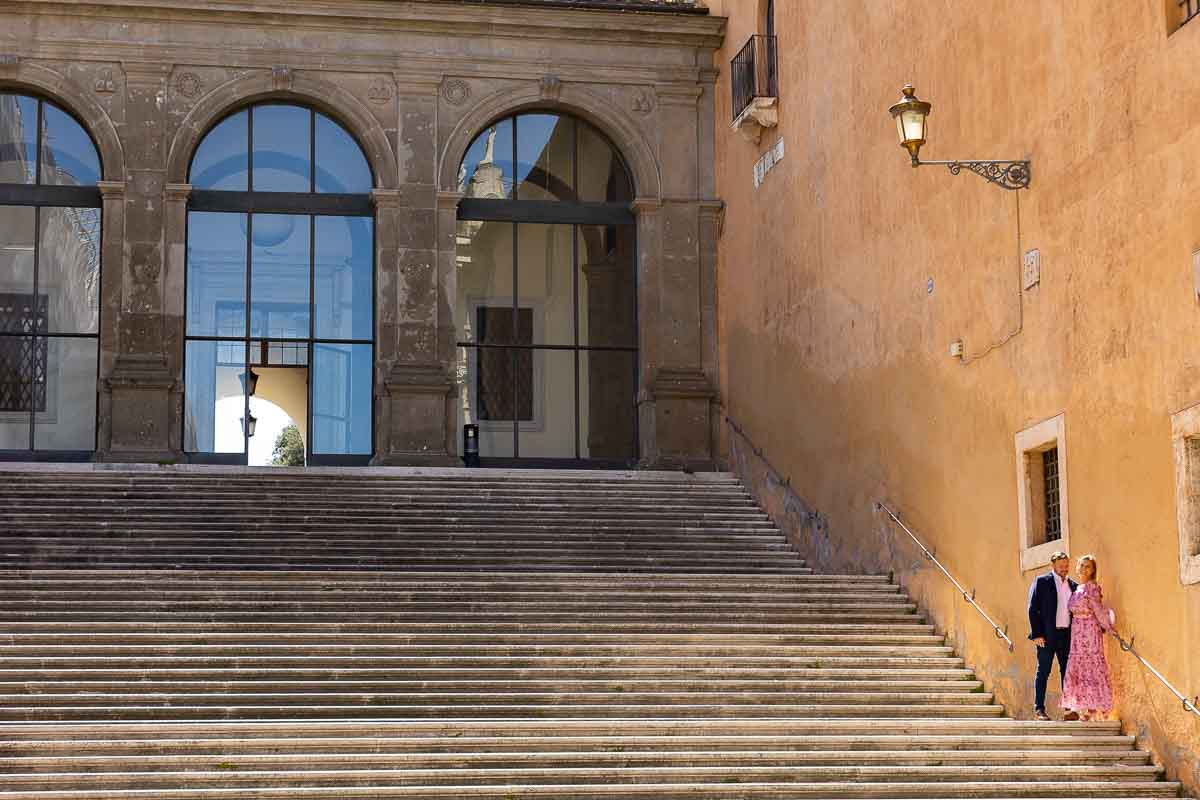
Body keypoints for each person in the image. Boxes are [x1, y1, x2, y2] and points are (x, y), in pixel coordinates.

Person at [1061, 554, 1115, 720]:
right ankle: (1086, 708)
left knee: (1091, 667)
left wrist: (1109, 627)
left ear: (1093, 571)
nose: (1084, 569)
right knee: (1080, 668)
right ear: (1077, 568)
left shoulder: (1092, 588)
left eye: (1088, 566)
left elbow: (1098, 609)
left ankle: (1093, 709)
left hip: (1090, 632)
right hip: (1077, 633)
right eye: (1082, 565)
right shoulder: (1077, 589)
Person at [1027, 551, 1077, 721]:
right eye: (1061, 566)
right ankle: (1039, 709)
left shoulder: (1073, 585)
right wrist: (1036, 634)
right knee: (1043, 671)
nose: (1064, 569)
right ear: (1053, 565)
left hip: (1066, 634)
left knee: (1067, 672)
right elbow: (1032, 608)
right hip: (1046, 636)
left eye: (1066, 565)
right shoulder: (1042, 582)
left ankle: (1068, 708)